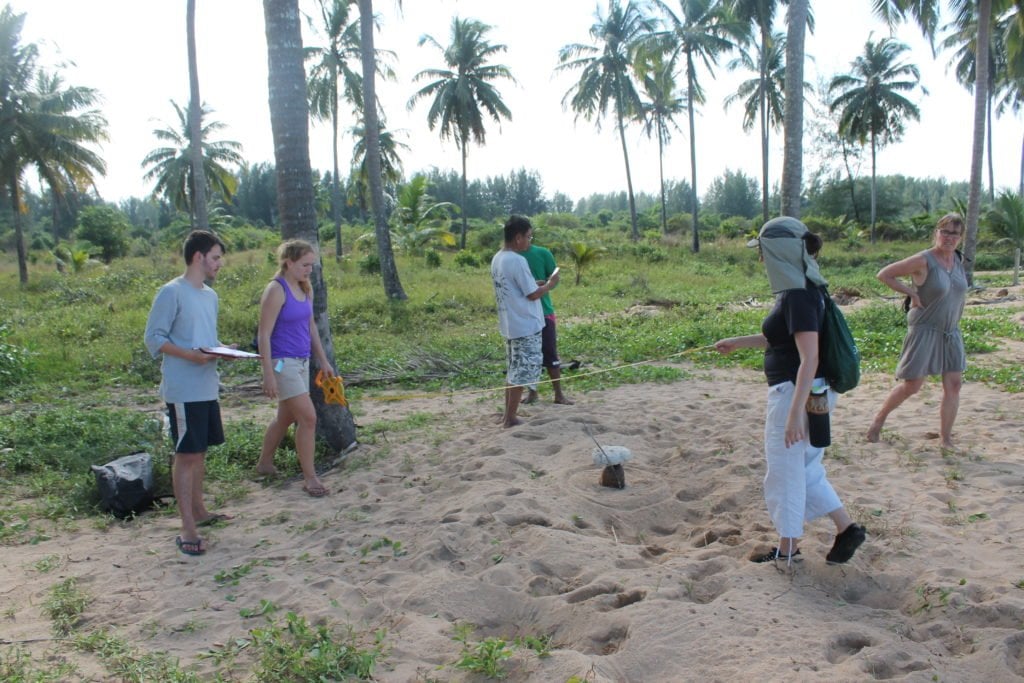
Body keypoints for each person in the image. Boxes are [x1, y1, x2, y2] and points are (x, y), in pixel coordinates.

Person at [716, 217, 866, 565]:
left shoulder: (798, 294)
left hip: (794, 393)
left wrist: (795, 414)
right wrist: (738, 343)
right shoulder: (805, 287)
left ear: (778, 251)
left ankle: (788, 549)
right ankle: (847, 530)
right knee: (806, 468)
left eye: (764, 251)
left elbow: (809, 357)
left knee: (784, 469)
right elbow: (783, 337)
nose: (761, 259)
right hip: (811, 391)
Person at [144, 230, 232, 556]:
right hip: (183, 388)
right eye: (216, 257)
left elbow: (205, 338)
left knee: (201, 451)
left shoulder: (210, 296)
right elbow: (154, 339)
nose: (219, 264)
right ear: (198, 257)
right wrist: (192, 355)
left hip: (207, 385)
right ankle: (187, 528)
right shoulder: (171, 293)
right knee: (187, 454)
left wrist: (223, 350)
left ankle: (199, 510)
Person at [867, 213, 968, 450]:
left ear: (960, 237)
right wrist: (911, 293)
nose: (949, 237)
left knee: (954, 385)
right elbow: (884, 274)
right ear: (936, 233)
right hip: (924, 329)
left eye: (955, 233)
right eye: (945, 232)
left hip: (951, 331)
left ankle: (946, 439)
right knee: (912, 385)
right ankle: (878, 420)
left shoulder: (958, 261)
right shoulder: (924, 260)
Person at [255, 240, 336, 497]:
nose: (309, 270)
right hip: (282, 362)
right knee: (308, 418)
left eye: (311, 265)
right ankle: (310, 477)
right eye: (304, 265)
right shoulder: (276, 290)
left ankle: (264, 463)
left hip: (301, 361)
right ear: (288, 262)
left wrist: (323, 361)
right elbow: (263, 334)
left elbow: (310, 327)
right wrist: (268, 372)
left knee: (286, 417)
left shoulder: (305, 288)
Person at [491, 215, 560, 428]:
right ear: (518, 237)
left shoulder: (498, 258)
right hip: (525, 325)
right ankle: (510, 418)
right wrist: (549, 284)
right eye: (528, 237)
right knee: (520, 374)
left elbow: (518, 287)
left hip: (512, 324)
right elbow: (531, 295)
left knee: (514, 371)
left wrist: (535, 283)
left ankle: (507, 416)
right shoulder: (517, 260)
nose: (530, 241)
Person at [521, 241, 573, 405]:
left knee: (550, 353)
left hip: (544, 312)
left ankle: (558, 394)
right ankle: (532, 392)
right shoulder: (512, 257)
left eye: (530, 236)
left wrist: (547, 284)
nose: (528, 239)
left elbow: (554, 278)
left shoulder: (543, 253)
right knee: (530, 354)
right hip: (523, 313)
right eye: (525, 235)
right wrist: (532, 285)